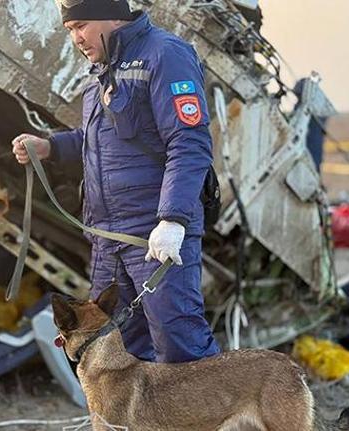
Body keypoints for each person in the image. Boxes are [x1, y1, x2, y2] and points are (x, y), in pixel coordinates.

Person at [12, 0, 219, 363]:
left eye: (80, 25)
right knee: (117, 355)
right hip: (107, 241)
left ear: (111, 13)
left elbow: (189, 142)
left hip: (152, 236)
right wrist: (50, 147)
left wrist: (172, 220)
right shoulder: (101, 73)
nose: (76, 38)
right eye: (69, 30)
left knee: (180, 347)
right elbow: (100, 143)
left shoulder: (165, 55)